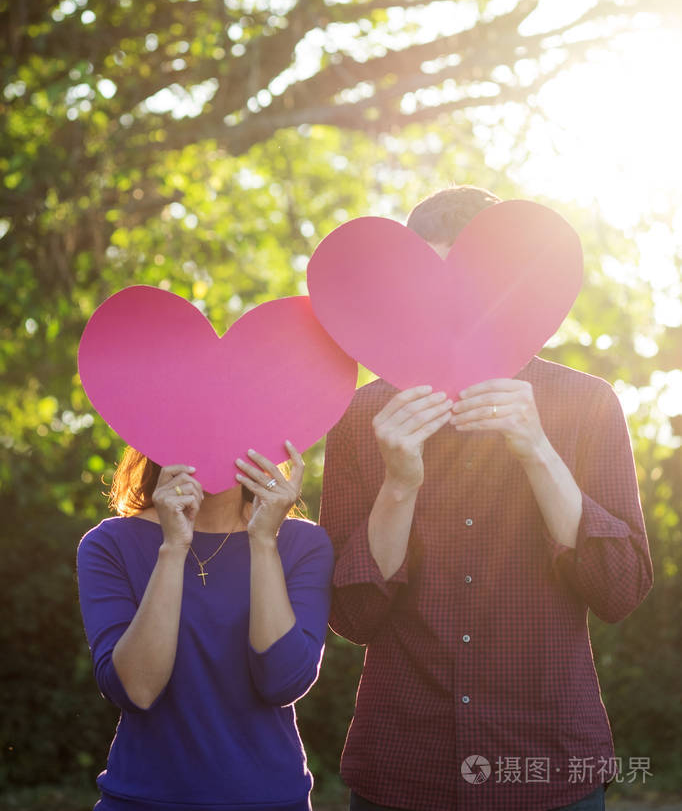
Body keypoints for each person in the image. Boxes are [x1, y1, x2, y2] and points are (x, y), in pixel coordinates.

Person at [319, 186, 653, 811]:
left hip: (549, 767)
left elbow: (619, 589)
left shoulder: (586, 403)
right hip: (405, 769)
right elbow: (353, 617)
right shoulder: (363, 415)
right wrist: (399, 484)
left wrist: (536, 448)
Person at [77, 439, 334, 811]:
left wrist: (264, 541)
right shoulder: (109, 544)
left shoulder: (304, 543)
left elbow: (282, 682)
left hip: (268, 800)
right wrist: (173, 548)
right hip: (143, 800)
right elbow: (137, 690)